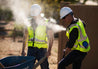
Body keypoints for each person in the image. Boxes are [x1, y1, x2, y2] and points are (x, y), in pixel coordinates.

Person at [22, 4, 54, 69]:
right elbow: (25, 37)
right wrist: (23, 50)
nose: (35, 16)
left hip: (42, 50)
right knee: (28, 67)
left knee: (45, 67)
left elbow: (51, 37)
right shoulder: (28, 22)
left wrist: (49, 50)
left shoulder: (46, 22)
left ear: (40, 12)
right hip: (31, 49)